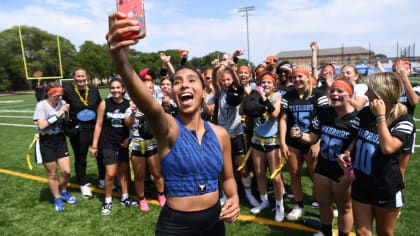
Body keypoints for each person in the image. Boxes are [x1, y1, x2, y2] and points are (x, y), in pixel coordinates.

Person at [107, 12, 239, 235]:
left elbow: (227, 178)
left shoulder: (220, 134)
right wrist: (121, 60)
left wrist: (234, 197)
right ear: (173, 92)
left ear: (203, 91)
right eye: (178, 82)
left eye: (191, 81)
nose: (184, 85)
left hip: (215, 224)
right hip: (176, 227)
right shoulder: (168, 128)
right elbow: (148, 104)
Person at [338, 72, 414, 236]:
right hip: (361, 182)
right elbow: (357, 136)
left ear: (382, 93)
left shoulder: (404, 120)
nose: (366, 94)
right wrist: (346, 153)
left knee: (384, 233)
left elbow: (388, 148)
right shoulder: (365, 113)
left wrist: (380, 116)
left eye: (370, 90)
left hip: (385, 187)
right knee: (361, 231)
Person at [291, 79, 359, 236]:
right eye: (333, 91)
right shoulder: (325, 113)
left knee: (344, 208)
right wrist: (301, 135)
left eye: (340, 91)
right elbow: (313, 138)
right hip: (322, 167)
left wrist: (350, 173)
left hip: (343, 171)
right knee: (323, 203)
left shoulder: (357, 120)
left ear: (349, 95)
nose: (335, 94)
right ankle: (327, 232)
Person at [279, 66, 329, 221]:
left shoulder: (318, 95)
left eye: (300, 76)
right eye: (294, 77)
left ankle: (326, 206)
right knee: (294, 174)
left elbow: (326, 120)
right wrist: (282, 142)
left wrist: (317, 142)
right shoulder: (288, 95)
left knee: (317, 177)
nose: (297, 80)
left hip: (311, 141)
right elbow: (283, 119)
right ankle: (299, 205)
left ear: (308, 77)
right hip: (292, 141)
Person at [211, 56, 259, 207]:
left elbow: (238, 82)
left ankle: (249, 194)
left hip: (237, 134)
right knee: (223, 168)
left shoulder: (237, 89)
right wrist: (214, 70)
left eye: (228, 80)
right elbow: (213, 81)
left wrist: (232, 69)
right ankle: (224, 195)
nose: (226, 82)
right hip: (221, 135)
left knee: (242, 168)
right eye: (223, 80)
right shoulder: (219, 93)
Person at [90, 78, 138, 215]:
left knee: (123, 172)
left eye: (118, 88)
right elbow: (98, 125)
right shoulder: (104, 104)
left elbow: (133, 126)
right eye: (112, 88)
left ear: (123, 89)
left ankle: (125, 197)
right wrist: (94, 145)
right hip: (108, 143)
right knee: (110, 174)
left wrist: (128, 139)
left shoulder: (129, 104)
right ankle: (108, 200)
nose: (115, 90)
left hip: (123, 143)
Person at [33, 82, 77, 211]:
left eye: (61, 95)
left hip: (59, 139)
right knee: (52, 174)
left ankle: (63, 191)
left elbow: (66, 121)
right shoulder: (41, 105)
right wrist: (59, 114)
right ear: (49, 93)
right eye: (56, 96)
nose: (59, 98)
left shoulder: (62, 103)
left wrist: (67, 113)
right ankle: (57, 198)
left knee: (66, 171)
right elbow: (41, 126)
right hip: (46, 141)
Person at [247, 73, 284, 222]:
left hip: (272, 141)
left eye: (269, 82)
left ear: (274, 85)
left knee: (275, 177)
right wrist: (248, 97)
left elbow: (275, 113)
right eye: (263, 82)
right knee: (259, 173)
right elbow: (243, 112)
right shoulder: (256, 94)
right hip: (257, 140)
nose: (266, 85)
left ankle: (280, 205)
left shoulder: (277, 96)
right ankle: (264, 201)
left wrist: (263, 100)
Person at [126, 79, 166, 211]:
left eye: (150, 88)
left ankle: (161, 195)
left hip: (152, 143)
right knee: (139, 175)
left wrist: (149, 116)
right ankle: (142, 199)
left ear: (153, 91)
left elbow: (161, 122)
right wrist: (132, 114)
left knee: (157, 173)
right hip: (137, 144)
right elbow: (128, 124)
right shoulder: (132, 104)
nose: (148, 90)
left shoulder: (156, 104)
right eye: (145, 87)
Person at [63, 67, 103, 198]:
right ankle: (83, 184)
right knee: (81, 157)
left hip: (94, 128)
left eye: (82, 76)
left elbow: (100, 105)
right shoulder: (68, 91)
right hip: (78, 130)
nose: (80, 79)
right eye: (78, 76)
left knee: (101, 155)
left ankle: (102, 179)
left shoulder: (93, 89)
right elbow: (63, 109)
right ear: (74, 77)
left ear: (87, 77)